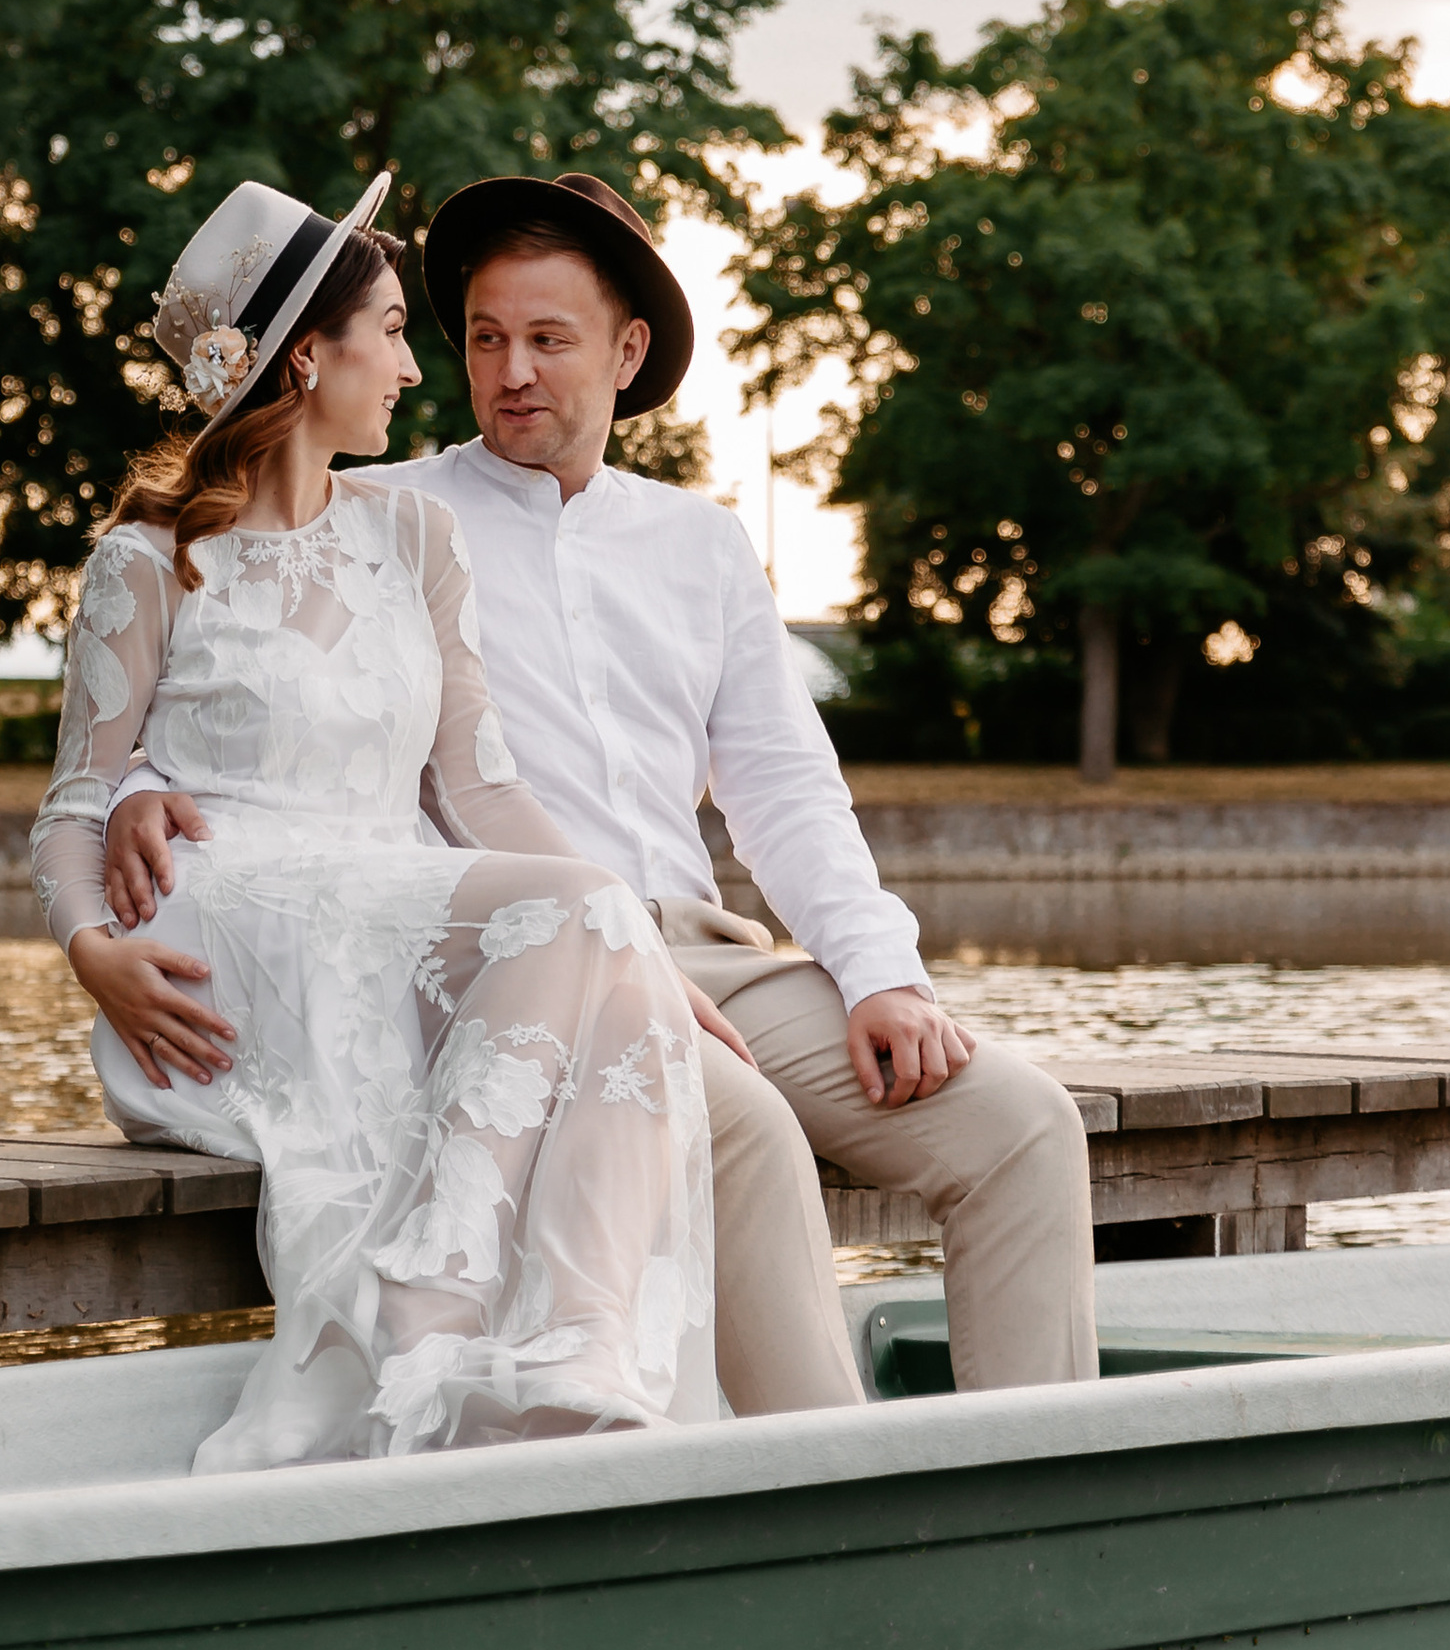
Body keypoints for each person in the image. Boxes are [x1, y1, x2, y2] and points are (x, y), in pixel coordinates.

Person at [101, 170, 1098, 1416]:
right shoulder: (383, 516)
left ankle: (1034, 1511)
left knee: (1023, 1127)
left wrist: (878, 971)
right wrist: (141, 780)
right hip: (531, 970)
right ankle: (843, 1506)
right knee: (746, 1135)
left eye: (548, 340)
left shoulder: (703, 544)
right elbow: (230, 664)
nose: (510, 369)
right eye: (481, 338)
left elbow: (785, 789)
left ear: (627, 353)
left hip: (715, 956)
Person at [32, 168, 721, 1469]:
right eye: (396, 330)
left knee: (606, 934)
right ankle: (426, 1303)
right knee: (588, 918)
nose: (415, 366)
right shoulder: (149, 555)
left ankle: (578, 1337)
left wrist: (629, 917)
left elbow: (478, 793)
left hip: (379, 892)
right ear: (308, 357)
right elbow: (75, 806)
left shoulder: (417, 540)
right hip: (220, 922)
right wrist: (93, 953)